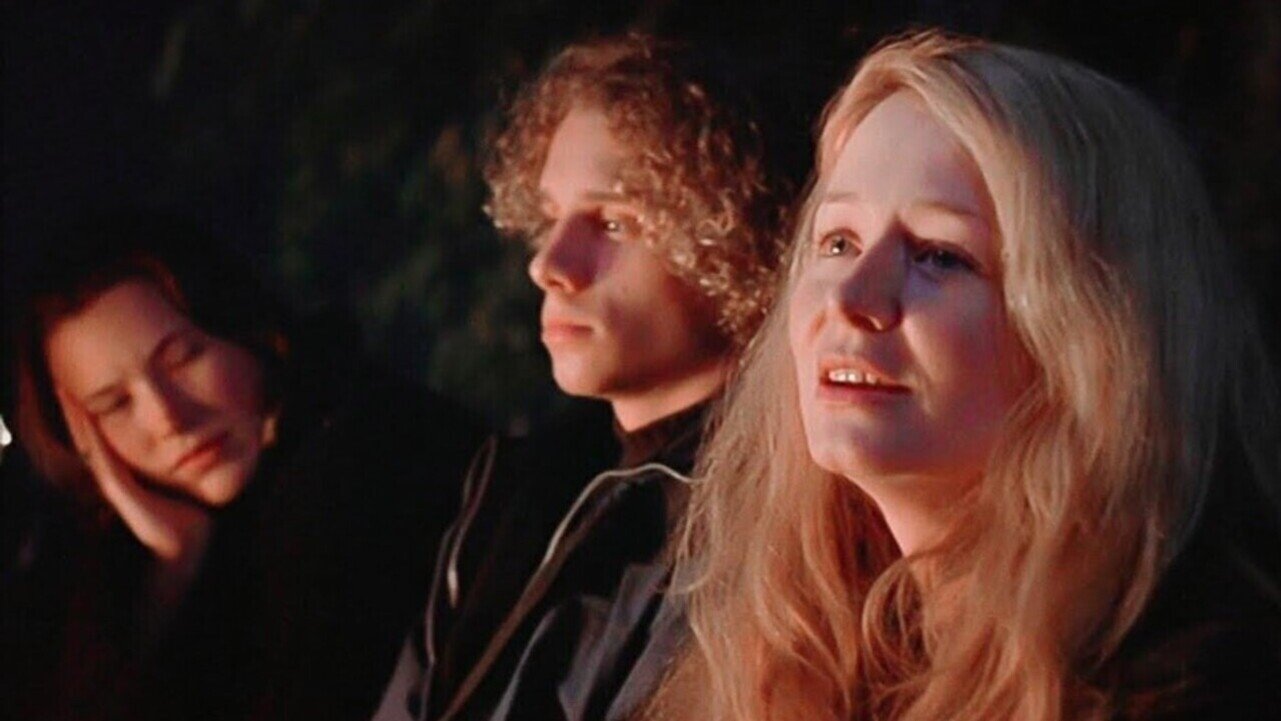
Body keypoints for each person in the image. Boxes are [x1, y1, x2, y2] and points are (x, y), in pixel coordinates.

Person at [646, 31, 1281, 721]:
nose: (852, 297)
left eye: (939, 255)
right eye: (838, 241)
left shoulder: (1190, 682)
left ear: (1093, 330)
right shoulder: (791, 650)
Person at [374, 33, 796, 721]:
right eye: (549, 218)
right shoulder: (517, 485)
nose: (549, 264)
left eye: (613, 221)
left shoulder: (766, 525)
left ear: (732, 236)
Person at [6, 211, 483, 721]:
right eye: (115, 404)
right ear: (80, 442)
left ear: (243, 329)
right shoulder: (98, 588)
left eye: (183, 358)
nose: (167, 418)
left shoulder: (375, 461)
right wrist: (175, 572)